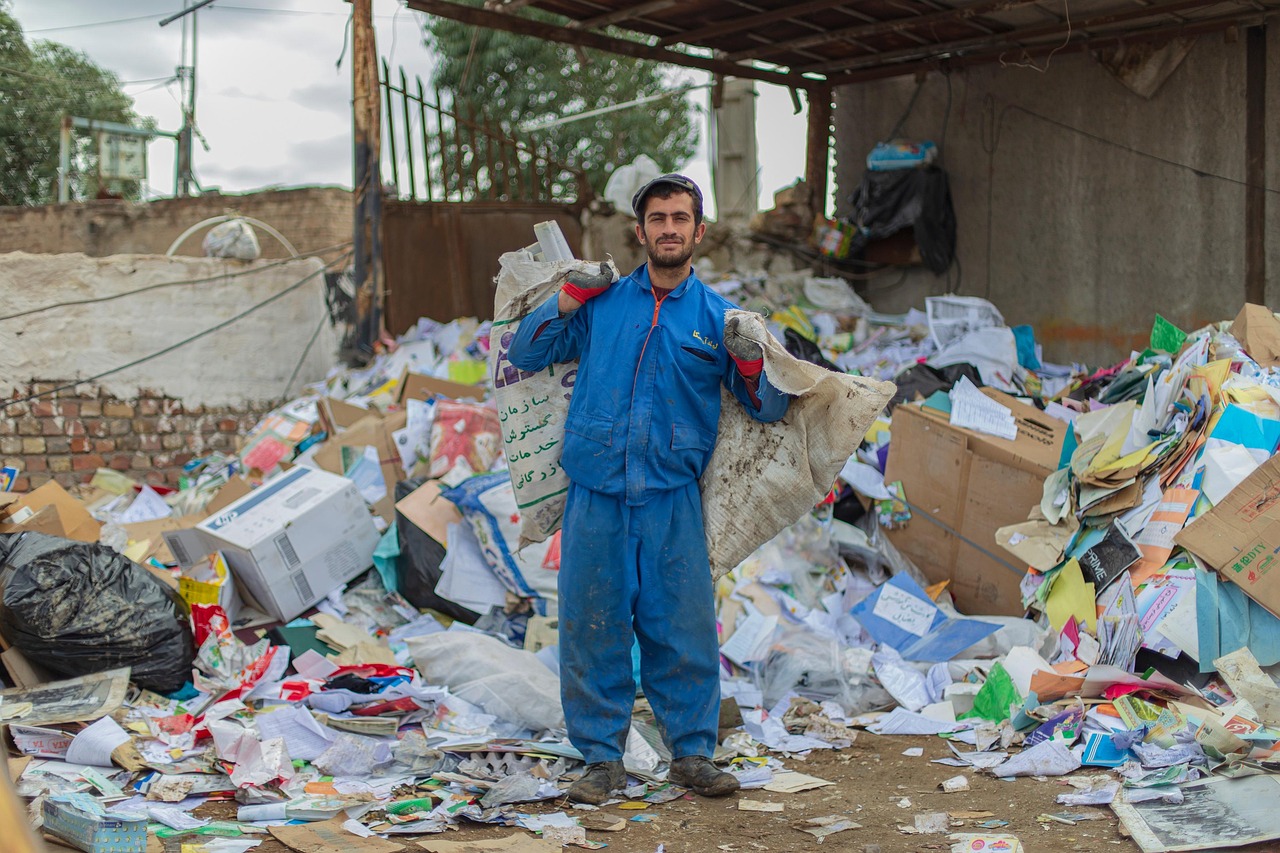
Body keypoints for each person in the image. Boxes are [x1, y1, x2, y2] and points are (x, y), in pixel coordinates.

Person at [508, 174, 790, 804]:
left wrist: (749, 364)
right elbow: (524, 354)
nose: (668, 228)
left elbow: (767, 409)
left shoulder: (719, 319)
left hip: (670, 499)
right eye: (657, 218)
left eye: (679, 218)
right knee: (593, 626)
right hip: (597, 496)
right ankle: (601, 761)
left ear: (698, 231)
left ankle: (691, 755)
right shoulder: (605, 303)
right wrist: (566, 301)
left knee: (682, 631)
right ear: (640, 231)